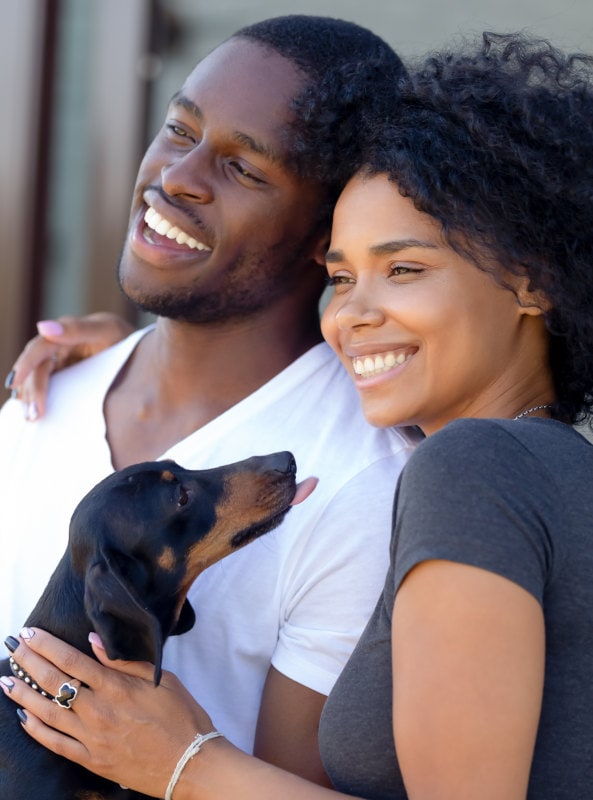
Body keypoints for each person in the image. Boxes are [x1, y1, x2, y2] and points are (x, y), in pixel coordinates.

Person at [3, 29, 593, 800]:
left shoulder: (461, 469)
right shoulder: (543, 469)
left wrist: (183, 764)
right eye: (341, 278)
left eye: (403, 269)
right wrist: (130, 352)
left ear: (533, 283)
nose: (352, 314)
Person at [0, 15, 418, 785]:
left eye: (244, 170)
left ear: (323, 234)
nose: (178, 176)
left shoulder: (364, 482)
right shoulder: (41, 401)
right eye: (177, 129)